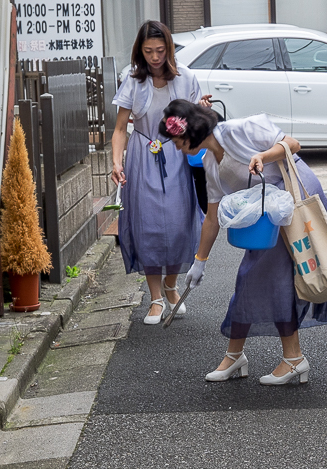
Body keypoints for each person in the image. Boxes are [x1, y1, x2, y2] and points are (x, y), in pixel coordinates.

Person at [158, 99, 327, 385]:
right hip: (268, 215)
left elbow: (293, 144)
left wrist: (264, 156)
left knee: (259, 277)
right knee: (254, 278)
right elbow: (212, 216)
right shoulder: (209, 162)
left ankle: (287, 358)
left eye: (178, 140)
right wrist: (199, 262)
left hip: (293, 200)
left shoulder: (242, 128)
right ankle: (244, 356)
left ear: (191, 130)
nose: (178, 147)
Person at [111, 20, 211, 325]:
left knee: (179, 223)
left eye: (160, 50)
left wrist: (202, 109)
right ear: (140, 52)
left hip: (177, 153)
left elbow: (196, 120)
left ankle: (170, 285)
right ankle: (155, 297)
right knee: (148, 225)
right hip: (142, 154)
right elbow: (119, 129)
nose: (154, 57)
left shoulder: (186, 77)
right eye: (148, 51)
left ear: (168, 49)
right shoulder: (133, 79)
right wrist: (117, 161)